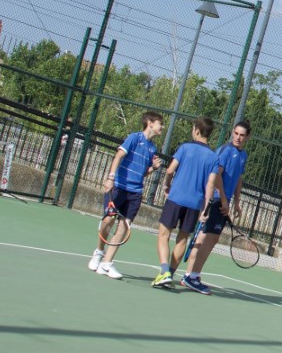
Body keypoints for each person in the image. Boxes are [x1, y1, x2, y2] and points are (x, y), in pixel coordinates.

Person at [88, 111, 164, 280]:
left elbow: (142, 172)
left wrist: (153, 168)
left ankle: (107, 263)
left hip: (135, 192)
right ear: (150, 123)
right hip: (119, 187)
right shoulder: (134, 138)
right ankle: (99, 252)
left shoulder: (152, 148)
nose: (162, 127)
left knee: (124, 226)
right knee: (108, 220)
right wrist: (110, 178)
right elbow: (118, 156)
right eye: (160, 123)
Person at [184, 119, 250, 295]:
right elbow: (216, 176)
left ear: (247, 137)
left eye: (242, 135)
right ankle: (191, 275)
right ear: (232, 132)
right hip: (215, 199)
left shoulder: (243, 155)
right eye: (236, 133)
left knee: (211, 239)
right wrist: (222, 200)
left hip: (224, 201)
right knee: (205, 238)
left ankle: (192, 275)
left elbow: (238, 179)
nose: (238, 137)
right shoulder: (226, 150)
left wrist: (236, 202)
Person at [152, 117, 219, 290]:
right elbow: (210, 185)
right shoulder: (213, 157)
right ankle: (170, 275)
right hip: (194, 204)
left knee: (164, 235)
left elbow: (170, 170)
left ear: (196, 130)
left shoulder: (185, 148)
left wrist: (166, 185)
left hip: (176, 198)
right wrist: (205, 208)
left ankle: (165, 272)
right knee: (182, 239)